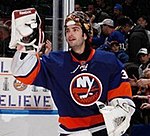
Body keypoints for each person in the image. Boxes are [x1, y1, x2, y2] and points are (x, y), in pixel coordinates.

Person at [10, 8, 135, 136]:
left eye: (75, 29)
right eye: (67, 30)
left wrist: (120, 110)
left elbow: (121, 93)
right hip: (70, 132)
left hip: (102, 129)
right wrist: (27, 44)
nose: (70, 34)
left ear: (85, 34)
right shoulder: (55, 62)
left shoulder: (107, 60)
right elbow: (22, 73)